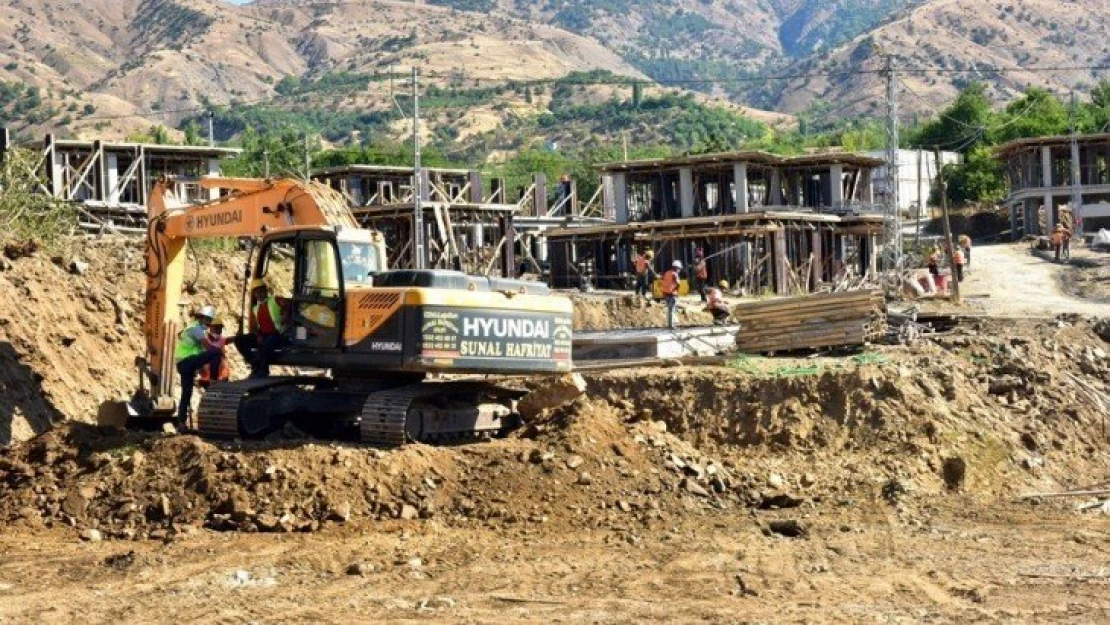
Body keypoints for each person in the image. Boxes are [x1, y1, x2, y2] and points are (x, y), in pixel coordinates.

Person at [174, 305, 223, 429]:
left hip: (183, 364)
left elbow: (200, 352)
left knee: (186, 393)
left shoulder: (194, 328)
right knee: (216, 352)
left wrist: (200, 368)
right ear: (202, 318)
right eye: (208, 320)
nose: (209, 323)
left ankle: (181, 423)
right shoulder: (196, 329)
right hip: (186, 362)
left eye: (210, 321)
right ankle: (213, 380)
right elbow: (208, 348)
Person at [235, 279, 291, 378]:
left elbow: (288, 303)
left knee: (266, 345)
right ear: (254, 294)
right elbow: (254, 327)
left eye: (261, 291)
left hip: (278, 335)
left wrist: (285, 314)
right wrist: (258, 335)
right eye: (256, 292)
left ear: (266, 291)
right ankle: (255, 364)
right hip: (264, 335)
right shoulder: (255, 309)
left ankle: (263, 371)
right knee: (239, 340)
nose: (259, 294)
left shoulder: (275, 300)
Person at [661, 260, 681, 329]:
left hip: (665, 293)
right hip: (671, 294)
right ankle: (671, 325)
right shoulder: (675, 274)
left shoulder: (667, 273)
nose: (679, 270)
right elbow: (678, 283)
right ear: (676, 268)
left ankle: (671, 323)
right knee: (672, 310)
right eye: (679, 268)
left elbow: (663, 280)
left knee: (670, 309)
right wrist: (676, 290)